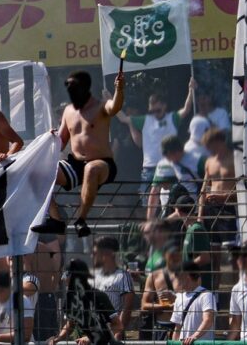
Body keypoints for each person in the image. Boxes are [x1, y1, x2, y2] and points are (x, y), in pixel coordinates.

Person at [33, 66, 125, 238]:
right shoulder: (68, 111)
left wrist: (119, 89)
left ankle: (81, 219)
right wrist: (47, 142)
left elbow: (115, 107)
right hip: (74, 164)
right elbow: (60, 142)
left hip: (102, 163)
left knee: (91, 168)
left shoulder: (101, 107)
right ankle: (56, 220)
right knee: (37, 173)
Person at [124, 80, 192, 182]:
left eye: (158, 110)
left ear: (164, 106)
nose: (155, 113)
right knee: (146, 197)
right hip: (149, 167)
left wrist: (191, 90)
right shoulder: (145, 119)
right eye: (152, 111)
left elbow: (186, 109)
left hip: (169, 165)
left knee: (169, 197)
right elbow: (124, 118)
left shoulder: (172, 117)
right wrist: (110, 101)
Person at [146, 134, 200, 221]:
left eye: (169, 154)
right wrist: (149, 220)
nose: (163, 185)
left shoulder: (194, 161)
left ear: (177, 151)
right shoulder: (162, 164)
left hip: (190, 210)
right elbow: (154, 192)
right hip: (170, 212)